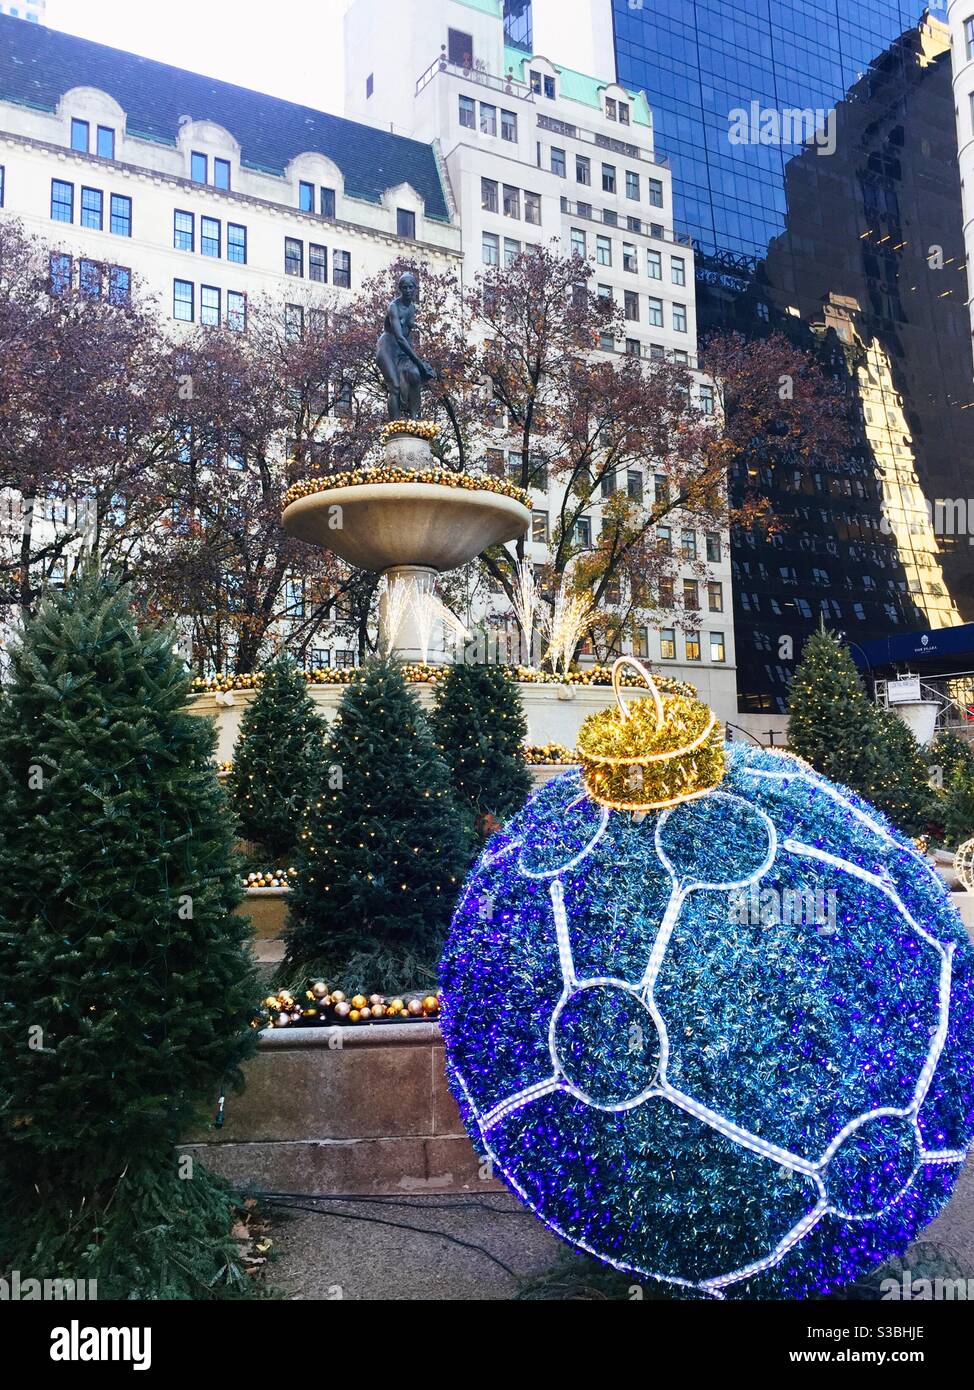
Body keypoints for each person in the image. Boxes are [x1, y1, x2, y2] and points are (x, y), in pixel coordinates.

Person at [376, 272, 435, 421]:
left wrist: (418, 365)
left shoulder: (412, 308)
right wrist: (419, 362)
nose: (408, 290)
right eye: (404, 287)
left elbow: (407, 336)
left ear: (416, 288)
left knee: (415, 375)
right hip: (387, 350)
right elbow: (400, 338)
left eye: (411, 287)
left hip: (402, 350)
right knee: (395, 387)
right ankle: (395, 426)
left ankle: (415, 419)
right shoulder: (393, 307)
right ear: (400, 289)